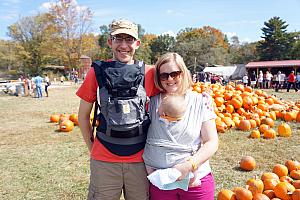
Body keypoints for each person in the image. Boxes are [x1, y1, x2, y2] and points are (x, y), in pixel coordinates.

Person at [76, 19, 158, 200]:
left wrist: (202, 99)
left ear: (137, 43)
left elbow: (175, 93)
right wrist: (93, 149)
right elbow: (82, 117)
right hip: (104, 159)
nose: (123, 45)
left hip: (141, 161)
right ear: (109, 41)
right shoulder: (96, 72)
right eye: (118, 39)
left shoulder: (149, 73)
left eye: (129, 40)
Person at [143, 52, 219, 200]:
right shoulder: (150, 103)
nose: (169, 79)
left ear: (183, 73)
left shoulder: (200, 101)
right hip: (161, 181)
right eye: (163, 75)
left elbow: (212, 142)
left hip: (195, 181)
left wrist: (188, 166)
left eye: (174, 74)